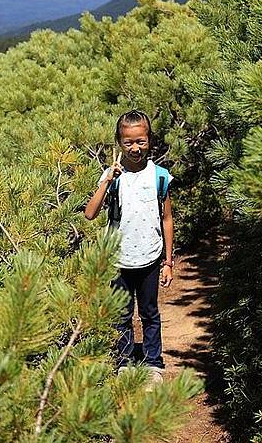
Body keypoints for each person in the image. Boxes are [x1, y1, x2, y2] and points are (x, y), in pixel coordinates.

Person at [84, 110, 174, 384]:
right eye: (128, 143)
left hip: (149, 258)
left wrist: (169, 261)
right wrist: (108, 179)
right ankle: (123, 362)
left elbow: (167, 219)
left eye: (141, 141)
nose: (135, 148)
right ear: (119, 143)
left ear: (149, 140)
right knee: (122, 315)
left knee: (149, 313)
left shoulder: (159, 177)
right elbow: (90, 213)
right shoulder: (112, 177)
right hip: (118, 260)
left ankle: (152, 363)